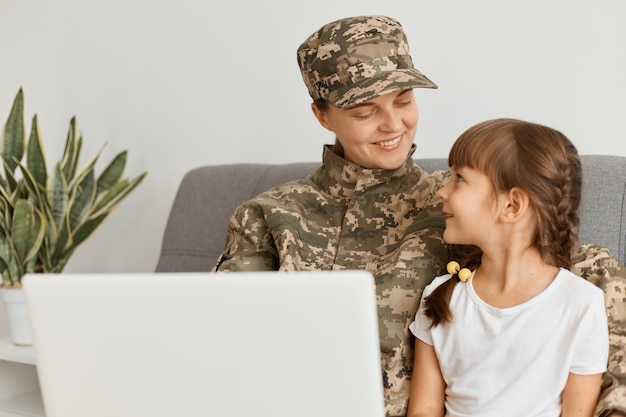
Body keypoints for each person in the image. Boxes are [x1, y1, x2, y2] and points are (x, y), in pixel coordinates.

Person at [212, 15, 626, 417]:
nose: (393, 124)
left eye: (405, 100)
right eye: (364, 112)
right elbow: (223, 345)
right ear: (323, 115)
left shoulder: (455, 204)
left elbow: (560, 263)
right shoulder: (268, 216)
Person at [407, 118, 608, 417]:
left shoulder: (580, 304)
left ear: (512, 205)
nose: (442, 191)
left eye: (459, 178)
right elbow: (423, 410)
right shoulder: (440, 297)